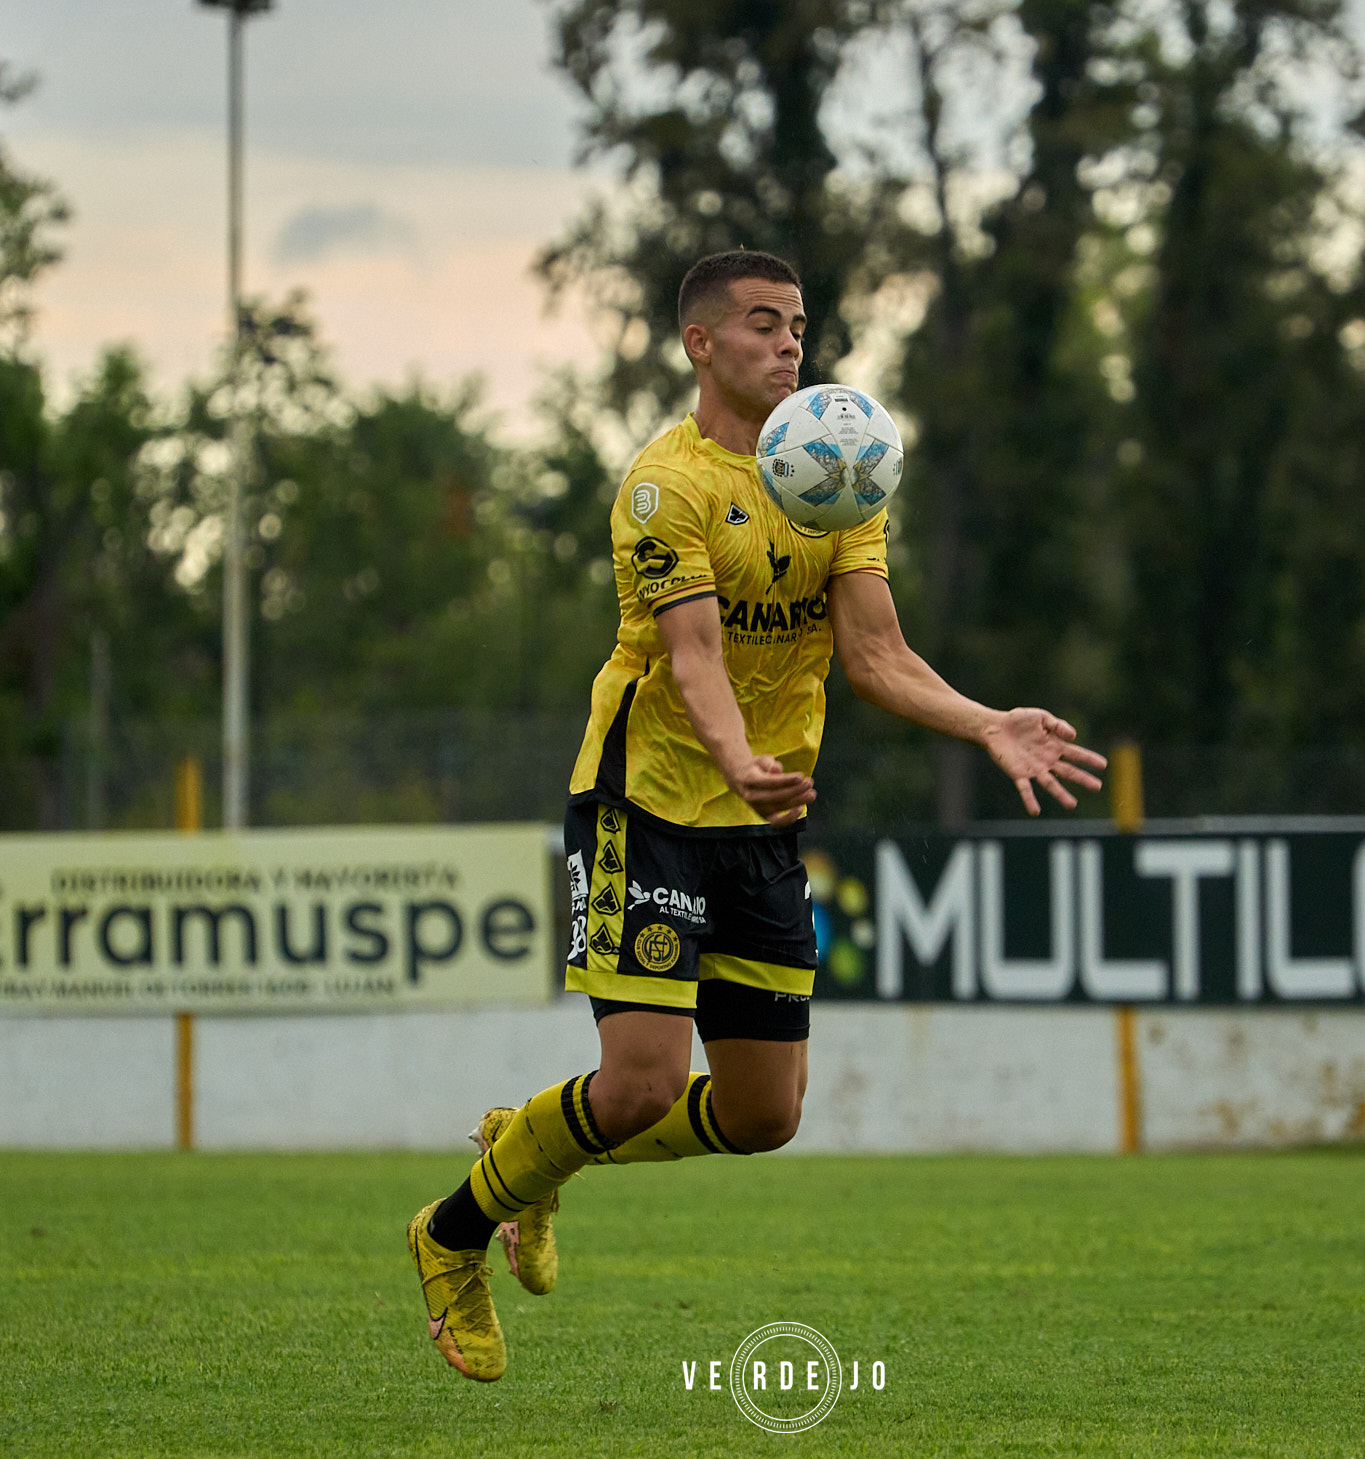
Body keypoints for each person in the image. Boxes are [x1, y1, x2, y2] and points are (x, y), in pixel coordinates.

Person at [405, 248, 1107, 1382]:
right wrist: (740, 757)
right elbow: (691, 658)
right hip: (649, 802)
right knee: (635, 1081)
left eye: (797, 326)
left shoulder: (835, 474)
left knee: (762, 1113)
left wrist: (982, 723)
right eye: (762, 324)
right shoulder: (661, 485)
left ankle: (523, 1154)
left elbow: (874, 651)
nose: (788, 344)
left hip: (757, 817)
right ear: (700, 344)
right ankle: (447, 1236)